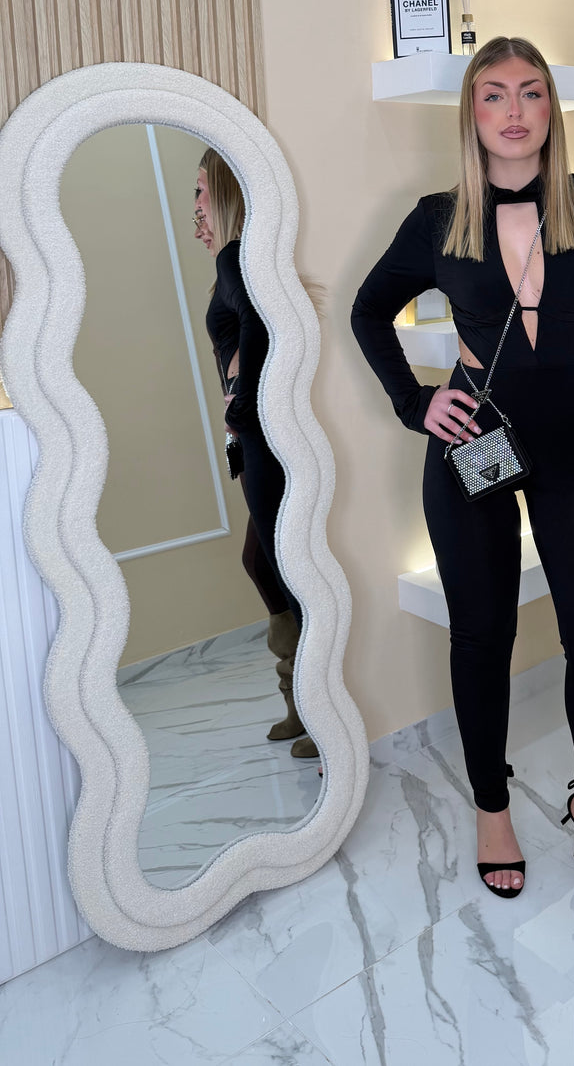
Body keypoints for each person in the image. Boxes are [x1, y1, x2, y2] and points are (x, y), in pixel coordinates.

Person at [352, 37, 574, 907]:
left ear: (552, 108)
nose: (515, 111)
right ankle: (492, 810)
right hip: (473, 438)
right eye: (495, 94)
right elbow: (367, 310)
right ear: (471, 113)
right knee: (482, 635)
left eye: (532, 92)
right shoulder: (439, 217)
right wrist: (416, 402)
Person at [194, 148, 318, 761]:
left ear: (224, 194)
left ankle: (318, 711)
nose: (195, 210)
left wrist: (239, 409)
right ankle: (299, 699)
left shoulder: (235, 258)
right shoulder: (242, 261)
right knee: (262, 559)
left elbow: (260, 332)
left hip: (263, 437)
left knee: (287, 570)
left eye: (200, 193)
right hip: (262, 437)